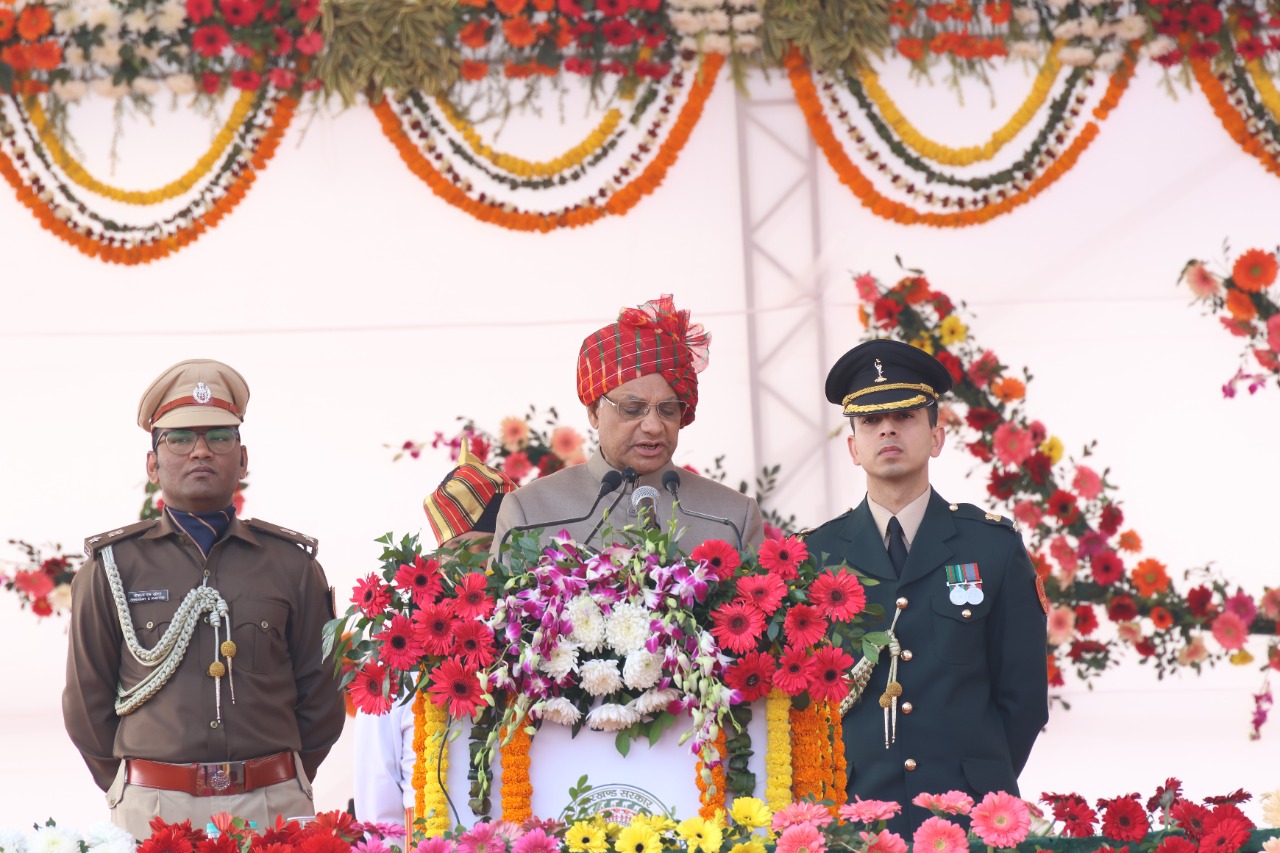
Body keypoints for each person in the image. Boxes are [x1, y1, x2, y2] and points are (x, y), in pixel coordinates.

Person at [63, 359, 346, 839]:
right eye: (179, 438)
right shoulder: (110, 568)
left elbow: (321, 698)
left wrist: (277, 778)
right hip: (154, 808)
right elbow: (86, 706)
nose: (200, 451)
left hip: (271, 802)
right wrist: (133, 786)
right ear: (152, 463)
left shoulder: (292, 566)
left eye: (219, 437)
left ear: (243, 458)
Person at [803, 339, 1048, 834]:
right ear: (853, 447)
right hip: (855, 815)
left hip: (970, 813)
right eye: (870, 421)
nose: (888, 427)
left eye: (906, 415)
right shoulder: (813, 557)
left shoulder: (993, 547)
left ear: (936, 437)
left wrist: (983, 779)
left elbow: (1022, 697)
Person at [492, 294, 764, 557]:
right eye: (633, 409)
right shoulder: (530, 511)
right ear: (594, 412)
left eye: (669, 410)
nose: (654, 427)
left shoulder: (732, 519)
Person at [353, 445, 515, 828]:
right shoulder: (396, 665)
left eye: (488, 548)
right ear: (436, 562)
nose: (475, 566)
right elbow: (379, 804)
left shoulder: (542, 650)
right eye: (458, 551)